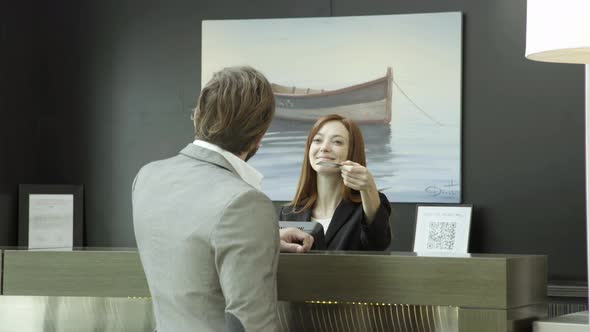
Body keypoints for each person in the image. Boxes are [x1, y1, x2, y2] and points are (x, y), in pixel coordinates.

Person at [132, 66, 313, 332]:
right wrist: (255, 228)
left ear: (199, 114)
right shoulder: (247, 202)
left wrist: (265, 237)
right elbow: (251, 326)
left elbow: (192, 237)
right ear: (260, 137)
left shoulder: (147, 177)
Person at [280, 114, 392, 250]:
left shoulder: (368, 206)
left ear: (352, 152)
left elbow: (378, 243)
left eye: (337, 142)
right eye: (317, 140)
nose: (324, 148)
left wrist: (369, 189)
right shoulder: (289, 214)